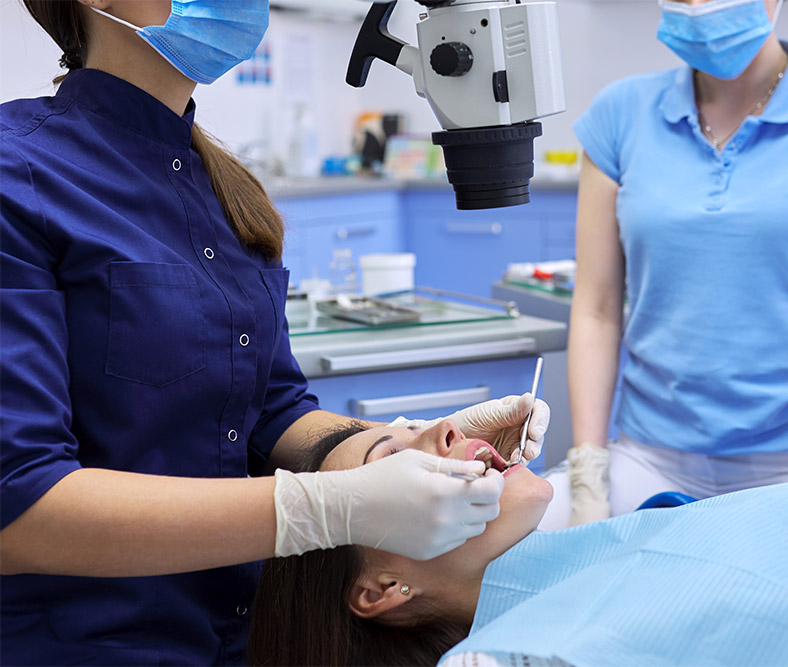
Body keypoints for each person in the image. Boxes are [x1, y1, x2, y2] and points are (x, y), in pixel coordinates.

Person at [0, 1, 548, 663]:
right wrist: (322, 509)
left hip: (242, 637)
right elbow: (18, 505)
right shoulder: (19, 171)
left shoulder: (229, 192)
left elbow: (276, 413)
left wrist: (403, 444)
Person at [555, 0, 788, 529]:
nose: (698, 7)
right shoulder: (619, 115)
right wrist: (588, 476)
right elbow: (595, 309)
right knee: (502, 557)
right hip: (651, 459)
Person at [247, 422, 788, 667]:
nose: (441, 428)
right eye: (394, 457)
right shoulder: (492, 659)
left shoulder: (593, 556)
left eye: (417, 421)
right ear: (381, 589)